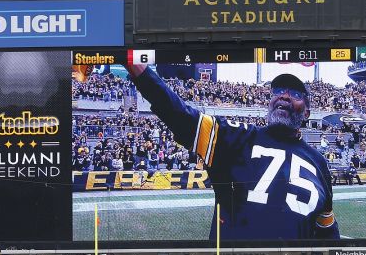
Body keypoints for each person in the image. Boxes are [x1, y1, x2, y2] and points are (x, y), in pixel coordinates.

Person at [125, 63, 341, 242]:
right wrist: (139, 70)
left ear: (308, 112)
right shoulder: (236, 137)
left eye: (295, 94)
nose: (284, 96)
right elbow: (180, 116)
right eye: (277, 91)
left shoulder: (319, 164)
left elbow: (328, 233)